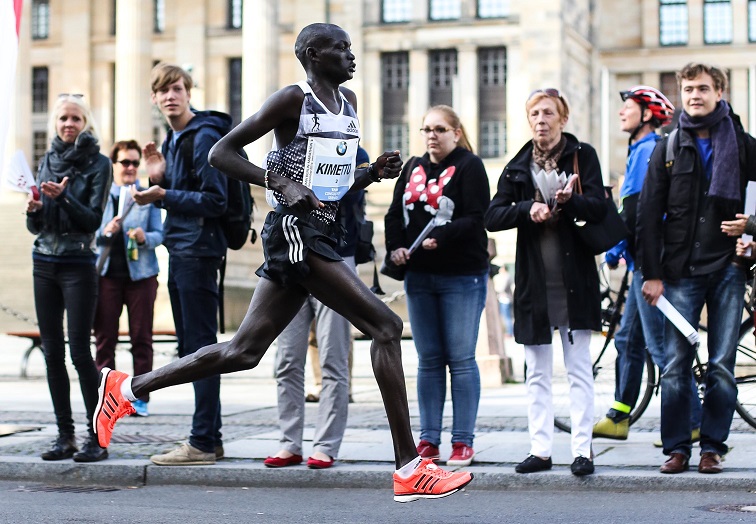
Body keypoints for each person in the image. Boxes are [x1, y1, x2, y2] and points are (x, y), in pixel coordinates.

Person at [94, 23, 472, 502]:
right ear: (314, 54)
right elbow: (221, 153)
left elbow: (329, 183)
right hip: (295, 233)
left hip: (325, 231)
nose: (351, 56)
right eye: (342, 48)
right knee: (385, 327)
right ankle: (409, 467)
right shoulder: (292, 100)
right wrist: (279, 183)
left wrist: (370, 173)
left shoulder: (349, 105)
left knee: (243, 351)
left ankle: (125, 390)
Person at [638, 63, 756, 475]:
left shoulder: (743, 144)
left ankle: (712, 448)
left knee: (722, 364)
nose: (694, 95)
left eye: (703, 88)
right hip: (679, 271)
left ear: (719, 92)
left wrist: (751, 226)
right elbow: (648, 213)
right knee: (674, 365)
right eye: (688, 89)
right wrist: (650, 273)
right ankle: (677, 448)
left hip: (727, 266)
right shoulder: (668, 144)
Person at [485, 88, 606, 476]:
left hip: (576, 280)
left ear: (562, 119)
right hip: (534, 284)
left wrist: (570, 200)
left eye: (548, 112)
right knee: (536, 370)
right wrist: (527, 208)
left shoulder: (582, 156)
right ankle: (540, 449)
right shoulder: (518, 164)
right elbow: (493, 214)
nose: (541, 119)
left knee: (578, 369)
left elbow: (601, 208)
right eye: (535, 112)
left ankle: (582, 451)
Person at [129, 63, 230, 466]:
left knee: (202, 349)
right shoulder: (173, 140)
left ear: (189, 92)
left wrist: (163, 193)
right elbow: (183, 191)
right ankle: (209, 438)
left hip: (200, 252)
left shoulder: (203, 135)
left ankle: (203, 442)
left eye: (177, 88)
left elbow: (215, 200)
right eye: (163, 91)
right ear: (154, 99)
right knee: (193, 348)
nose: (170, 95)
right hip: (183, 249)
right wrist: (162, 176)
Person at [593, 87, 703, 442]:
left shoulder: (647, 150)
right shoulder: (638, 150)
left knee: (660, 347)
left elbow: (639, 209)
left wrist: (616, 245)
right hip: (640, 258)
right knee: (627, 338)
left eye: (628, 108)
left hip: (648, 263)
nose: (622, 113)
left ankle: (693, 421)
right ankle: (619, 415)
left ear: (646, 115)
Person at [384, 105, 490, 468]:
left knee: (460, 359)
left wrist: (441, 237)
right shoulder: (413, 167)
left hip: (461, 275)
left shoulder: (469, 166)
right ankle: (428, 439)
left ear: (456, 133)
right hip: (420, 277)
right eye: (426, 129)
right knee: (428, 360)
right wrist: (396, 247)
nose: (432, 135)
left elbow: (477, 219)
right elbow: (394, 215)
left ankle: (463, 441)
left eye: (440, 129)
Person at [265, 147, 370, 469]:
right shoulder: (287, 151)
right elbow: (274, 197)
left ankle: (325, 444)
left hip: (336, 257)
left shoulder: (354, 154)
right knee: (286, 359)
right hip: (291, 256)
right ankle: (289, 443)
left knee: (333, 359)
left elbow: (344, 201)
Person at [25, 94, 112, 463]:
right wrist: (33, 211)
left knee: (79, 352)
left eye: (76, 118)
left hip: (78, 263)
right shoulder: (47, 160)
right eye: (63, 118)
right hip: (43, 261)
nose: (68, 124)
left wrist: (61, 199)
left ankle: (98, 438)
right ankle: (66, 436)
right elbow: (35, 227)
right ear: (55, 122)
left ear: (85, 123)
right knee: (52, 353)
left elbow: (92, 221)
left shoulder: (99, 164)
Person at [93, 140, 163, 417]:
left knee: (141, 339)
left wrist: (146, 238)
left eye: (135, 162)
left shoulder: (147, 195)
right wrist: (105, 231)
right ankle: (105, 397)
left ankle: (140, 398)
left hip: (142, 275)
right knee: (105, 339)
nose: (131, 167)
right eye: (125, 162)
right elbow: (91, 233)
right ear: (115, 165)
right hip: (107, 275)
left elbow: (161, 233)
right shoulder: (101, 196)